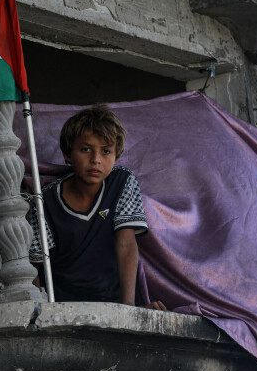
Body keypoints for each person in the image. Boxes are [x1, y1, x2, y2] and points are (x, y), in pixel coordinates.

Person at [28, 104, 166, 310]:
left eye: (106, 151)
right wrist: (42, 311)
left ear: (116, 157)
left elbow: (126, 244)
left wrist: (128, 309)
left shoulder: (121, 182)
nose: (96, 160)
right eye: (86, 149)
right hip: (62, 306)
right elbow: (33, 267)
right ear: (67, 153)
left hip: (110, 304)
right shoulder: (46, 201)